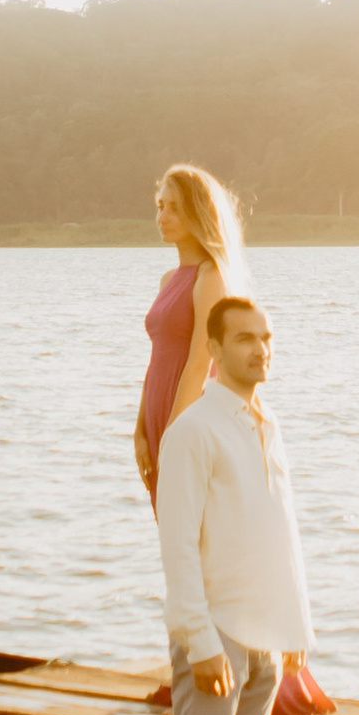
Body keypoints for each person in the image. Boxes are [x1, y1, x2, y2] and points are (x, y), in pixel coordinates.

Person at [154, 293, 316, 715]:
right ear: (214, 348)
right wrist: (199, 644)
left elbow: (281, 530)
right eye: (245, 338)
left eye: (266, 337)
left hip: (265, 638)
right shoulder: (194, 430)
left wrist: (296, 628)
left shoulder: (266, 423)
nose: (260, 349)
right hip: (216, 636)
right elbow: (177, 547)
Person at [134, 165, 245, 516]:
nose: (162, 216)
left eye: (174, 208)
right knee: (169, 532)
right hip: (158, 412)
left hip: (187, 417)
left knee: (194, 534)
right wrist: (140, 429)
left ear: (197, 213)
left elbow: (200, 362)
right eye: (160, 205)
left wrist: (174, 435)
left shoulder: (210, 276)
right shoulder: (168, 280)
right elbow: (156, 359)